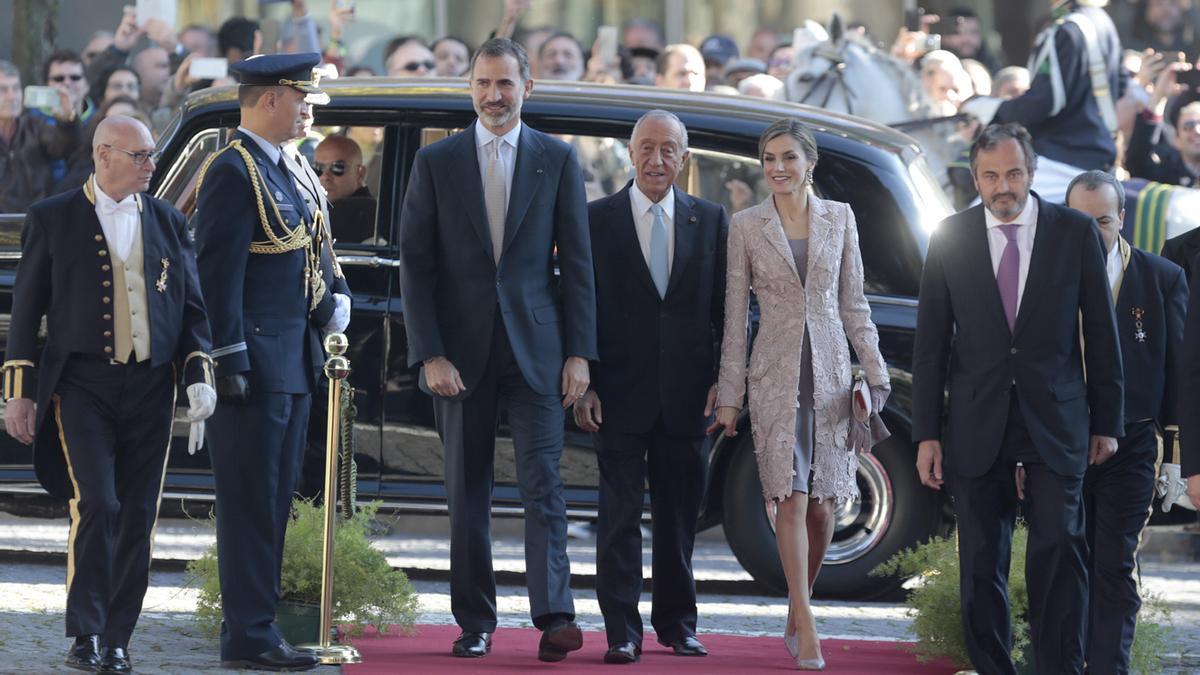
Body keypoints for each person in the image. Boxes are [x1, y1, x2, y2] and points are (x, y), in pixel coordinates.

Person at [397, 38, 596, 663]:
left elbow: (579, 266)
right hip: (460, 356)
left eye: (505, 84)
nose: (493, 95)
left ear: (527, 88)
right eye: (483, 84)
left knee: (545, 488)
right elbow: (416, 265)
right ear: (470, 88)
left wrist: (579, 354)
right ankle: (474, 621)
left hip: (538, 352)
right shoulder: (437, 162)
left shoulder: (558, 159)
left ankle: (555, 615)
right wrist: (429, 353)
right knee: (467, 492)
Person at [2, 114, 214, 674]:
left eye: (151, 156)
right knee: (98, 502)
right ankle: (86, 633)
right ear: (103, 155)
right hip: (82, 385)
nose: (152, 165)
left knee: (139, 513)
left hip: (151, 384)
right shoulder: (53, 218)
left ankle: (119, 637)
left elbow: (192, 309)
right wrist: (18, 393)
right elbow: (25, 316)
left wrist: (199, 374)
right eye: (140, 155)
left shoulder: (169, 220)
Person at [912, 123, 1123, 675]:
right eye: (990, 175)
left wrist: (1108, 422)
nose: (1002, 186)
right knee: (981, 561)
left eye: (1012, 173)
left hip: (1056, 419)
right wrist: (927, 433)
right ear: (975, 177)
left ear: (1030, 173)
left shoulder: (1073, 232)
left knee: (1058, 549)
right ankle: (993, 668)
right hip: (977, 422)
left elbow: (1100, 333)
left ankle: (1059, 668)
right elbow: (931, 344)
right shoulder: (949, 236)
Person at [711, 118, 890, 671]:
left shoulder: (840, 218)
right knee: (786, 496)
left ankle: (796, 606)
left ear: (809, 162)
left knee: (823, 505)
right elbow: (735, 317)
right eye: (769, 159)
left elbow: (854, 303)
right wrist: (730, 394)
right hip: (773, 371)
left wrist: (875, 371)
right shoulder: (746, 225)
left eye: (788, 157)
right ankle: (807, 623)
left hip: (832, 370)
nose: (778, 168)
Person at [191, 52, 347, 672]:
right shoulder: (234, 169)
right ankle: (249, 631)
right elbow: (216, 276)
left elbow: (311, 254)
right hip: (254, 364)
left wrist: (331, 302)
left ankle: (259, 624)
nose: (310, 107)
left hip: (294, 358)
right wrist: (226, 362)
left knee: (276, 499)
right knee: (251, 504)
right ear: (267, 99)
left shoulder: (294, 167)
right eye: (300, 95)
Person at [573, 110, 728, 665]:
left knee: (679, 518)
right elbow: (579, 305)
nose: (656, 160)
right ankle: (622, 632)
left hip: (689, 396)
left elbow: (727, 311)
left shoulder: (711, 220)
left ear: (684, 159)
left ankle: (678, 625)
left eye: (668, 150)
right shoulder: (595, 220)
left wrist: (724, 381)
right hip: (615, 391)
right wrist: (583, 377)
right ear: (629, 153)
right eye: (646, 148)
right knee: (617, 520)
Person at [1061, 171, 1187, 673]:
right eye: (1081, 221)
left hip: (1133, 440)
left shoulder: (1161, 277)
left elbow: (1179, 373)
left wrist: (1177, 453)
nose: (1094, 233)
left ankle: (1107, 667)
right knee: (1067, 564)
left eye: (1104, 221)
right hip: (1063, 440)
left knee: (1114, 564)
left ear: (1123, 219)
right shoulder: (1044, 278)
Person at [961, 0, 1126, 202]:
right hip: (1095, 154)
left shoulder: (1064, 29)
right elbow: (1122, 85)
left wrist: (987, 109)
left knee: (979, 215)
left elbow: (1043, 103)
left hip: (1064, 159)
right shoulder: (1102, 21)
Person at [0, 60, 81, 213]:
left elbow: (65, 148)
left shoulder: (35, 126)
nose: (12, 96)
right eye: (3, 90)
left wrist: (67, 122)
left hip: (35, 224)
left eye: (16, 88)